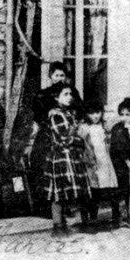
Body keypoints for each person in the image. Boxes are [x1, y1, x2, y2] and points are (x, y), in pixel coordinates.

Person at [29, 62, 83, 213]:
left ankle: (64, 206)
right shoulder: (43, 94)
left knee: (65, 171)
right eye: (56, 75)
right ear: (50, 76)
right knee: (41, 164)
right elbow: (37, 114)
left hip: (66, 132)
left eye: (62, 75)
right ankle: (44, 206)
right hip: (47, 134)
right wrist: (48, 113)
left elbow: (79, 109)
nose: (59, 78)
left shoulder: (70, 92)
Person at [44, 83, 93, 236]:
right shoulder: (55, 115)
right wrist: (78, 140)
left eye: (70, 94)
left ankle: (77, 222)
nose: (70, 97)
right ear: (56, 97)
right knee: (59, 191)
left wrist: (76, 138)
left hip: (72, 156)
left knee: (75, 190)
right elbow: (65, 139)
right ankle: (58, 225)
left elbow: (73, 134)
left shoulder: (69, 114)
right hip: (61, 157)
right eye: (65, 94)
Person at [78, 101, 121, 229]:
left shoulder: (104, 126)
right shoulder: (84, 128)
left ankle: (115, 215)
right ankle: (91, 217)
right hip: (92, 163)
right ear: (86, 114)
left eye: (98, 112)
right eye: (92, 113)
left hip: (105, 161)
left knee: (111, 188)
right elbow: (82, 146)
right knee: (93, 189)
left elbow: (108, 143)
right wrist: (88, 159)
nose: (95, 116)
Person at [109, 97, 130, 226]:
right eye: (122, 114)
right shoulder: (118, 129)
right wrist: (127, 160)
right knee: (122, 188)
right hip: (120, 162)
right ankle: (118, 215)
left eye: (128, 114)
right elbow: (118, 147)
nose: (125, 117)